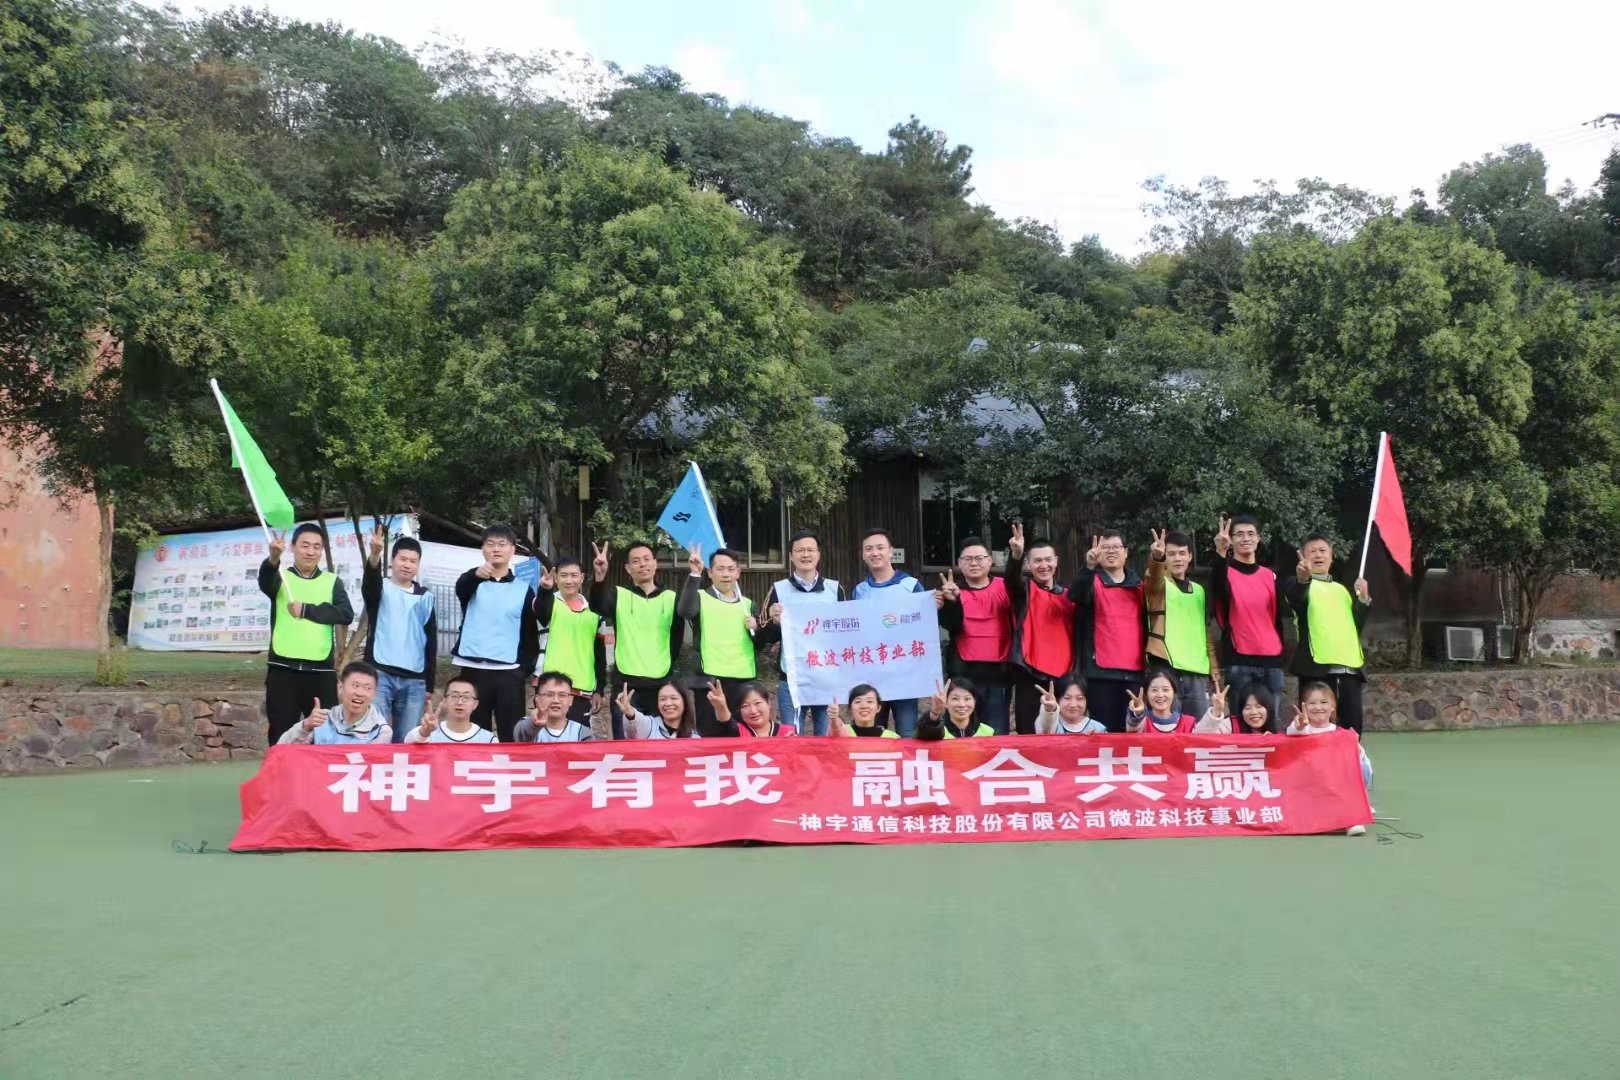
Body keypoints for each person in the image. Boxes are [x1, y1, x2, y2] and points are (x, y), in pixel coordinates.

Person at [260, 523, 355, 746]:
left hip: (320, 671)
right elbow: (265, 582)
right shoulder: (280, 577)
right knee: (281, 736)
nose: (310, 552)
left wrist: (306, 610)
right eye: (305, 545)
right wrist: (273, 558)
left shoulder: (331, 581)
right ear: (292, 547)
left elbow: (345, 614)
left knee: (325, 736)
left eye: (316, 547)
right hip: (283, 669)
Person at [452, 524, 540, 742]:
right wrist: (475, 575)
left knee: (511, 736)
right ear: (482, 549)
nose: (496, 549)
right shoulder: (471, 582)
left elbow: (530, 634)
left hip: (509, 672)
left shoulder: (524, 590)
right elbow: (461, 588)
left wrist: (523, 669)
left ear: (513, 550)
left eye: (502, 544)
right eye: (490, 544)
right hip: (473, 669)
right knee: (474, 735)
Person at [755, 529, 845, 734]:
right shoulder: (779, 589)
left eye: (810, 550)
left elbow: (845, 634)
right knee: (792, 738)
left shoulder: (835, 590)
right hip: (792, 678)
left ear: (818, 555)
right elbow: (765, 637)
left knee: (826, 738)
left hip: (826, 677)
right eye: (800, 550)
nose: (806, 555)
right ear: (791, 556)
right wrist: (774, 622)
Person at [591, 541, 684, 740]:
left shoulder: (671, 598)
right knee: (625, 745)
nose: (642, 564)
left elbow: (677, 638)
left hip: (661, 684)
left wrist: (666, 664)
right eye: (636, 561)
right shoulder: (619, 595)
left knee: (661, 742)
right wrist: (599, 578)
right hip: (626, 684)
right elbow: (597, 607)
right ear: (628, 568)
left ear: (655, 564)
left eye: (646, 559)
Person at [1281, 534, 1371, 732]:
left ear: (1331, 555)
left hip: (1350, 668)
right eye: (1312, 551)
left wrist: (1364, 600)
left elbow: (1353, 627)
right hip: (1317, 668)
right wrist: (1303, 579)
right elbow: (1297, 598)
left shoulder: (1341, 590)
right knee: (1316, 729)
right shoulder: (1296, 584)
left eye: (1323, 550)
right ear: (1303, 556)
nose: (1318, 555)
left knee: (1352, 730)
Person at [851, 528, 932, 736]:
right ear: (863, 554)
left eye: (880, 547)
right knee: (872, 736)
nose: (874, 553)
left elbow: (925, 628)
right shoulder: (859, 591)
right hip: (871, 678)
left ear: (890, 551)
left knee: (907, 735)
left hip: (904, 677)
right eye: (869, 549)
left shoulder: (911, 586)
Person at [937, 530, 1021, 734]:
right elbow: (951, 626)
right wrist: (951, 602)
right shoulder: (952, 590)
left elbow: (1016, 581)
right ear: (959, 563)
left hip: (998, 675)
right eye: (968, 559)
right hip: (965, 675)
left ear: (990, 561)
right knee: (962, 733)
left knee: (996, 733)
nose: (974, 563)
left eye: (979, 558)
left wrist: (1016, 557)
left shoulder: (1005, 587)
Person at [360, 526, 438, 743]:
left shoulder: (425, 597)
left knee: (407, 740)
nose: (407, 565)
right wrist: (374, 554)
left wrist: (429, 684)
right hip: (380, 672)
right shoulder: (381, 588)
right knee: (376, 735)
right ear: (392, 561)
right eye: (403, 559)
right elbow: (369, 585)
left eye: (413, 561)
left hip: (414, 679)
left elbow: (431, 641)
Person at [677, 544, 761, 738]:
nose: (726, 574)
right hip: (709, 680)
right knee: (711, 738)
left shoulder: (747, 605)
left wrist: (757, 628)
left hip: (742, 679)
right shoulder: (700, 597)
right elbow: (685, 611)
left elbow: (760, 643)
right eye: (720, 569)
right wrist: (694, 575)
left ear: (738, 573)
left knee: (740, 735)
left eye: (731, 569)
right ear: (710, 572)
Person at [1210, 515, 1290, 706]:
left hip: (1272, 660)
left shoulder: (1269, 576)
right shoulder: (1224, 573)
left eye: (1250, 534)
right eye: (1239, 534)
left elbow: (1279, 618)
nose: (1245, 538)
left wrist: (1281, 654)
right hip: (1240, 659)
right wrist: (1221, 553)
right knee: (1241, 720)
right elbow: (1218, 589)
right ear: (1231, 540)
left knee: (1271, 719)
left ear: (1258, 538)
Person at [1071, 530, 1145, 732]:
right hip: (1100, 674)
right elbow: (1075, 596)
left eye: (1116, 547)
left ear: (1126, 552)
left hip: (1135, 672)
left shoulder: (1139, 585)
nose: (1111, 551)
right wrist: (1089, 567)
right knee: (1104, 733)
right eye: (1105, 547)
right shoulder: (1090, 581)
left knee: (1134, 732)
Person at [1144, 528, 1219, 718]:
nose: (1177, 558)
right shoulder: (1159, 586)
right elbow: (1153, 578)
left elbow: (1205, 630)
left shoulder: (1199, 590)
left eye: (1182, 553)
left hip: (1197, 670)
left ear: (1190, 556)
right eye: (1171, 554)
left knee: (1199, 726)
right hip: (1167, 666)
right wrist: (1157, 558)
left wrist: (1214, 666)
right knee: (1167, 725)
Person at [1007, 536, 1077, 735]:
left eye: (1048, 560)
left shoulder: (1070, 596)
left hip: (1064, 674)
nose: (1044, 565)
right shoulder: (1024, 591)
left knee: (1064, 733)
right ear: (1028, 564)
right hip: (1030, 672)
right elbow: (1012, 580)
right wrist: (1016, 556)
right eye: (1037, 561)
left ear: (1056, 561)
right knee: (1028, 734)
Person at [1286, 681, 1374, 835]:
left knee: (1362, 765)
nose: (1318, 707)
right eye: (1312, 703)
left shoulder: (1342, 734)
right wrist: (1299, 725)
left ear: (1332, 706)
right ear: (1304, 706)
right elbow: (1292, 732)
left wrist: (1355, 748)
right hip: (1309, 786)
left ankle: (1354, 813)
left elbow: (1364, 766)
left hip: (1337, 786)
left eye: (1324, 702)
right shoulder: (1302, 729)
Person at [535, 555, 607, 728]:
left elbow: (599, 654)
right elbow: (541, 612)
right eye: (564, 575)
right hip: (550, 686)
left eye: (574, 575)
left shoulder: (595, 613)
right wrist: (544, 590)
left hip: (582, 687)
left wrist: (599, 689)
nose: (569, 580)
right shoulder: (549, 602)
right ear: (555, 577)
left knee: (578, 739)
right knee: (548, 736)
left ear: (582, 578)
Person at [276, 662, 389, 745]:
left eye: (367, 688)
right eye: (355, 686)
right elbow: (283, 750)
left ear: (374, 694)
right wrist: (306, 726)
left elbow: (371, 764)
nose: (360, 693)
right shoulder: (322, 719)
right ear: (340, 687)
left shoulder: (381, 731)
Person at [1124, 670, 1224, 734]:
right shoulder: (1142, 723)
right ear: (1146, 694)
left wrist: (1216, 711)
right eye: (1154, 690)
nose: (1160, 695)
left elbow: (1201, 739)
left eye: (1165, 690)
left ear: (1174, 693)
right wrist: (1137, 714)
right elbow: (1133, 728)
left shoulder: (1188, 723)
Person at [405, 677, 497, 744]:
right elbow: (407, 744)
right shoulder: (429, 732)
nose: (460, 702)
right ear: (444, 701)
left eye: (466, 697)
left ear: (475, 704)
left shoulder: (489, 740)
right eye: (454, 696)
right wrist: (425, 731)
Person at [513, 672, 595, 743]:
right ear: (537, 699)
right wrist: (534, 724)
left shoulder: (583, 733)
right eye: (549, 695)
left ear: (570, 700)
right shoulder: (526, 725)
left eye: (562, 695)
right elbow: (520, 737)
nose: (556, 700)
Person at [616, 678, 699, 740]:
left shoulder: (694, 738)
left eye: (674, 698)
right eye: (663, 699)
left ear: (685, 702)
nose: (668, 703)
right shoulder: (649, 725)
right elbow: (635, 723)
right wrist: (630, 714)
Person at [712, 680, 796, 738]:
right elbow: (727, 723)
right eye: (745, 706)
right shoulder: (738, 731)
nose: (753, 711)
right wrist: (721, 707)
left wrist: (796, 744)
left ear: (768, 703)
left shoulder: (788, 732)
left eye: (757, 703)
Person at [917, 678, 995, 738]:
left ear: (974, 701)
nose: (962, 704)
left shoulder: (988, 732)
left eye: (967, 699)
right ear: (946, 702)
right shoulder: (937, 732)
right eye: (955, 699)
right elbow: (923, 736)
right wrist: (935, 712)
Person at [1194, 683, 1279, 735]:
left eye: (1259, 706)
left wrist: (1272, 743)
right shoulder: (1230, 725)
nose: (1254, 712)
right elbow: (1198, 739)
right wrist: (1216, 711)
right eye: (1247, 708)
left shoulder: (1275, 733)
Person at [1033, 676, 1107, 735]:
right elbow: (1043, 732)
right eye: (1067, 698)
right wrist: (1049, 710)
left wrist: (1099, 740)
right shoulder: (1052, 725)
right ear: (1058, 700)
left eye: (1080, 698)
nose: (1073, 705)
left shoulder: (1098, 729)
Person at [828, 684, 901, 738]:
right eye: (858, 702)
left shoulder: (892, 738)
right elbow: (836, 730)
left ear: (878, 707)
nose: (864, 706)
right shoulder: (844, 733)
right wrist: (834, 718)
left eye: (869, 701)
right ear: (850, 708)